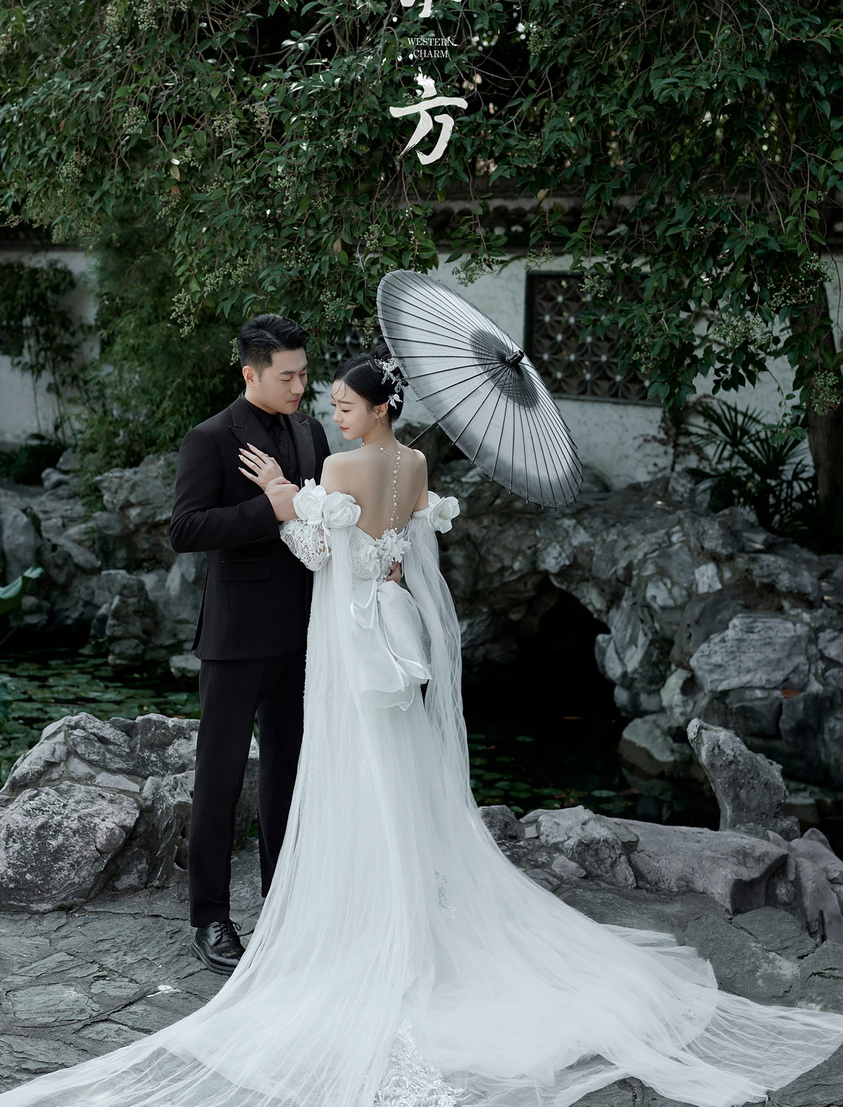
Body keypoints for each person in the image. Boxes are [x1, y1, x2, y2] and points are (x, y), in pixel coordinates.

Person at [1, 345, 843, 1107]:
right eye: (303, 383)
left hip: (345, 637)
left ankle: (347, 920)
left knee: (341, 772)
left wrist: (284, 498)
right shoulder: (391, 457)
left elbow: (322, 548)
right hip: (361, 627)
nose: (318, 400)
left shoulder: (329, 454)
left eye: (334, 395)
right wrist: (313, 513)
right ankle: (251, 914)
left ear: (373, 407)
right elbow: (355, 541)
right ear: (254, 371)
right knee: (381, 772)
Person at [169, 313, 330, 974]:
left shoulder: (311, 431)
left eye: (303, 374)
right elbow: (185, 529)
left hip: (304, 632)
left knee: (288, 775)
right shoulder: (209, 438)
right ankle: (209, 917)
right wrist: (270, 509)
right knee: (220, 778)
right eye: (286, 376)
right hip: (235, 637)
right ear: (251, 373)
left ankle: (282, 904)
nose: (299, 386)